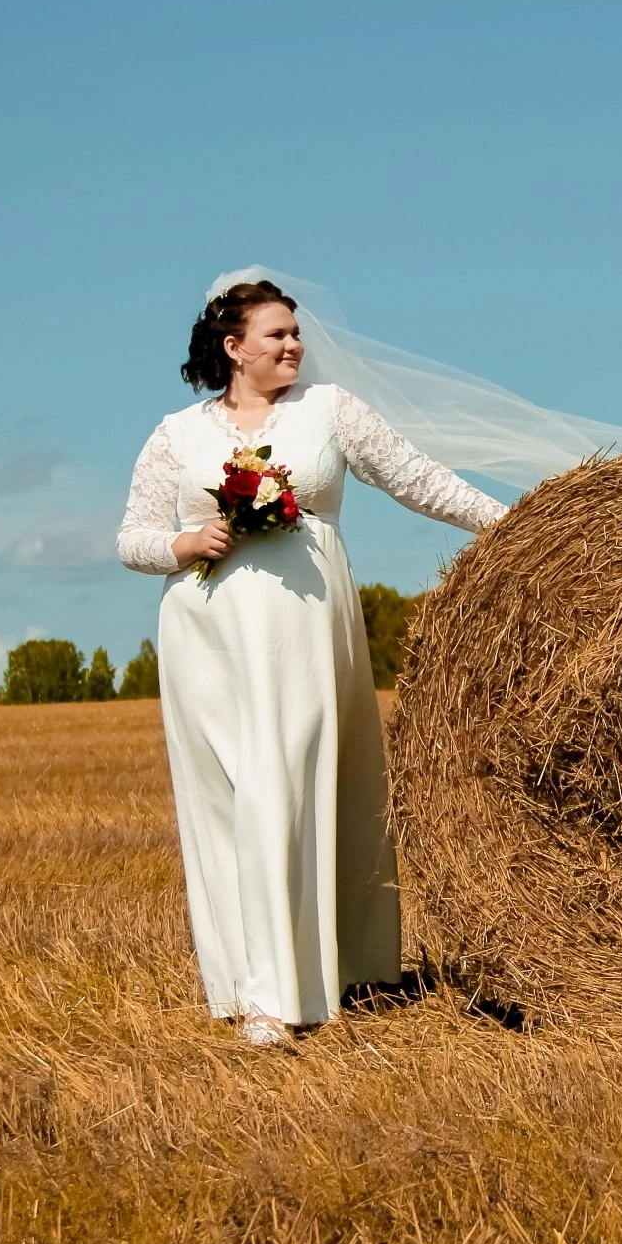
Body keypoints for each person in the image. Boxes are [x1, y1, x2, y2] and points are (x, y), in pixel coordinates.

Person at [116, 279, 507, 1046]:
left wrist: (514, 524)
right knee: (231, 804)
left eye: (295, 332)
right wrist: (184, 543)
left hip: (303, 630)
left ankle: (313, 978)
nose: (294, 345)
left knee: (291, 787)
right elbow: (132, 538)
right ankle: (252, 992)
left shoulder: (329, 413)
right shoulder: (174, 435)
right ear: (233, 348)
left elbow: (417, 478)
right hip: (208, 633)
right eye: (276, 335)